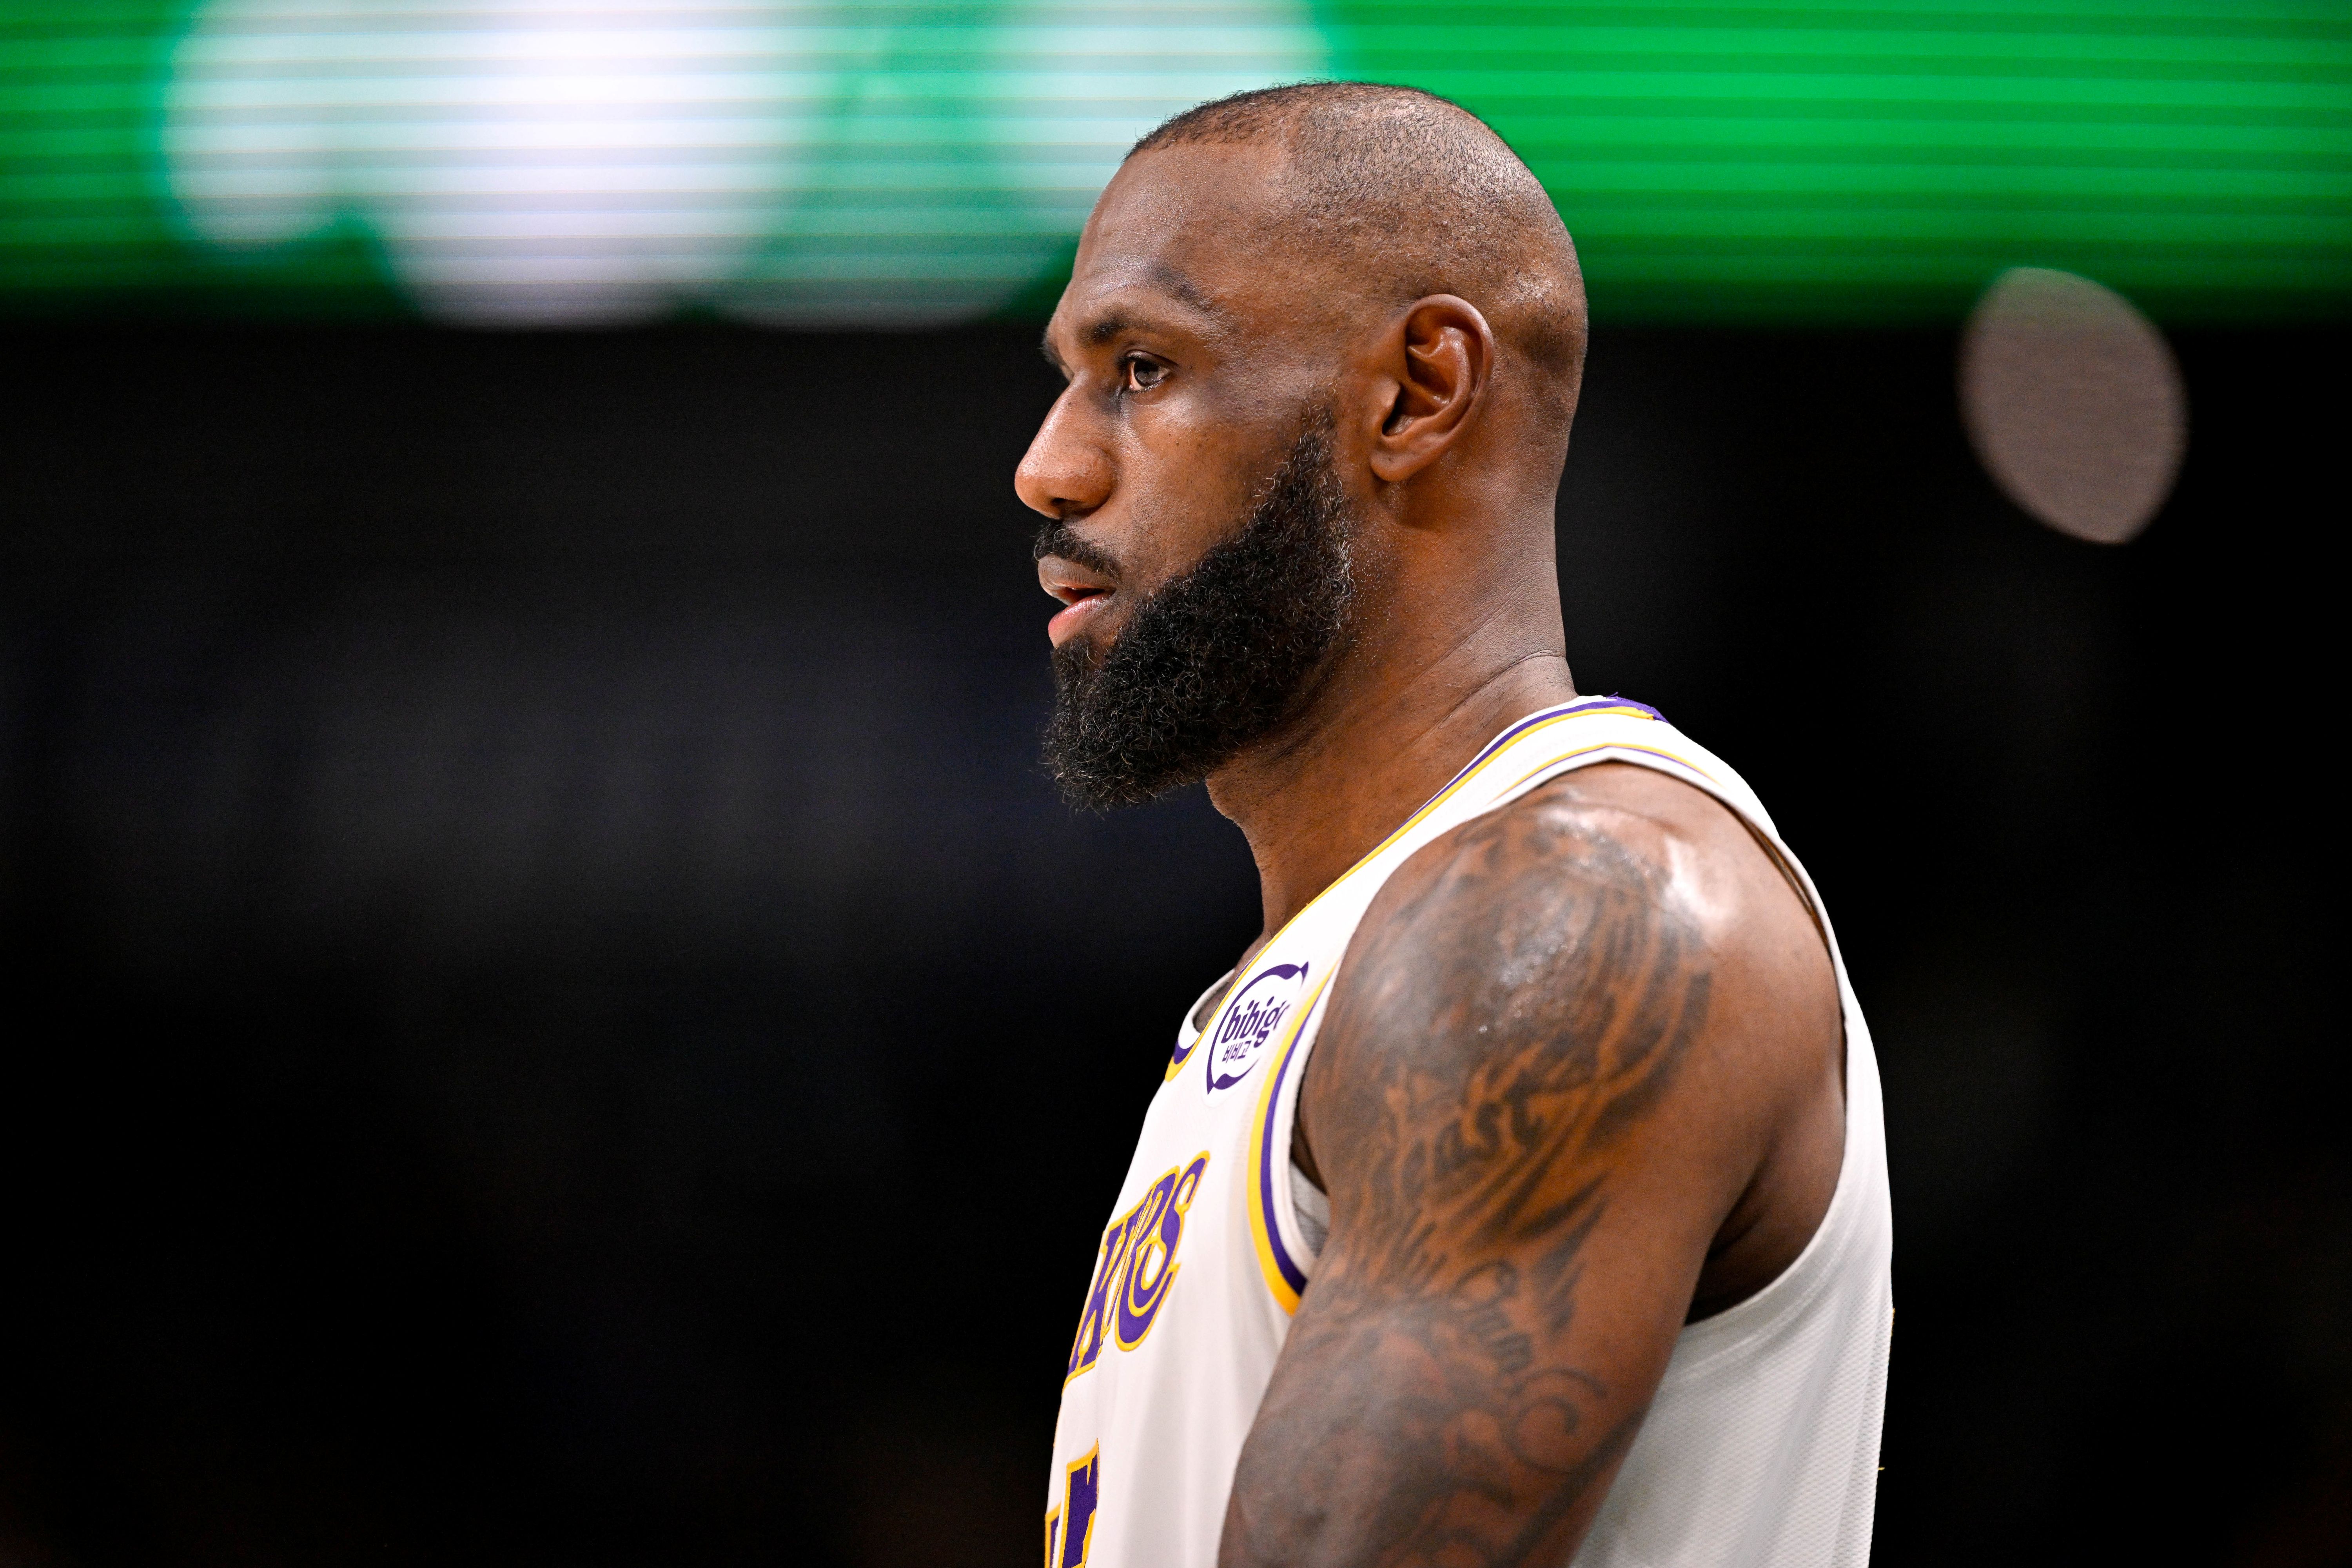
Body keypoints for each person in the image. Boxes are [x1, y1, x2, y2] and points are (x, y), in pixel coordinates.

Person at [1017, 83, 1891, 1568]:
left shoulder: (1571, 913)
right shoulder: (1343, 961)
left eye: (1143, 369)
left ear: (1418, 394)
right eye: (1072, 379)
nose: (1048, 467)